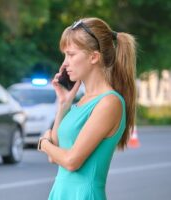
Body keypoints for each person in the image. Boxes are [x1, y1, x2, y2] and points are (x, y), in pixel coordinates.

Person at [38, 17, 136, 199]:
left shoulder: (109, 102)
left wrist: (43, 143)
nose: (65, 63)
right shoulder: (81, 101)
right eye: (64, 55)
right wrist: (64, 104)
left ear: (94, 57)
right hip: (61, 193)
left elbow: (71, 161)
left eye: (71, 54)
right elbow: (55, 155)